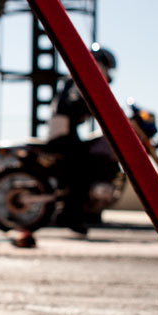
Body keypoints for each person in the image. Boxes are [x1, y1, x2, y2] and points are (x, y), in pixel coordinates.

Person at [46, 43, 117, 234]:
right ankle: (71, 216)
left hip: (67, 133)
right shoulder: (77, 82)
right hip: (62, 136)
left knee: (88, 160)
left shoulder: (76, 81)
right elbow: (73, 104)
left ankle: (75, 212)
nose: (108, 74)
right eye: (106, 67)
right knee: (83, 170)